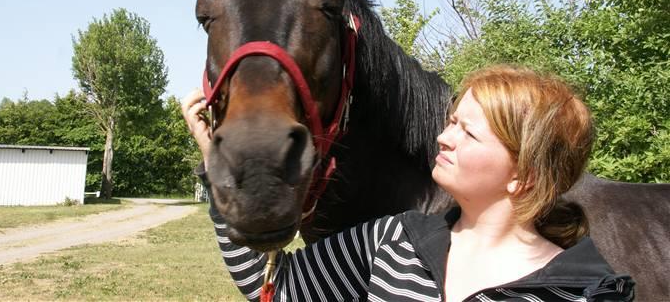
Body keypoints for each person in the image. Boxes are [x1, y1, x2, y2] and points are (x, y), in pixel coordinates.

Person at [183, 65, 634, 301]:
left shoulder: (582, 293)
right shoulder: (394, 240)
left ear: (525, 174)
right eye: (451, 121)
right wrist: (214, 157)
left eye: (468, 131)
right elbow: (277, 289)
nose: (443, 137)